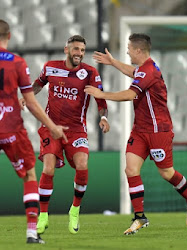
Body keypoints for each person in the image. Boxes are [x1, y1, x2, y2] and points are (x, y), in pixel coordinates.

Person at [0, 19, 68, 244]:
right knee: (29, 174)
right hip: (12, 130)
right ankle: (31, 232)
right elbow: (30, 102)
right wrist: (52, 126)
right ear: (9, 36)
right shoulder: (17, 63)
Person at [85, 33, 187, 235]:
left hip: (158, 130)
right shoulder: (144, 69)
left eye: (129, 49)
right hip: (140, 130)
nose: (127, 51)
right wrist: (113, 62)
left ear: (139, 50)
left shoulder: (149, 71)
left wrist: (101, 94)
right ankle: (140, 217)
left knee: (166, 173)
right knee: (131, 169)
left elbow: (130, 94)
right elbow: (134, 72)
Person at [20, 35, 110, 235]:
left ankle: (75, 209)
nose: (79, 53)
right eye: (76, 49)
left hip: (76, 129)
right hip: (51, 127)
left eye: (82, 50)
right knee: (49, 168)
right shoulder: (50, 67)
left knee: (82, 165)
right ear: (66, 49)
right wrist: (26, 97)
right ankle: (43, 215)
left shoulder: (90, 73)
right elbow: (38, 84)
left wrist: (104, 118)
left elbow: (101, 100)